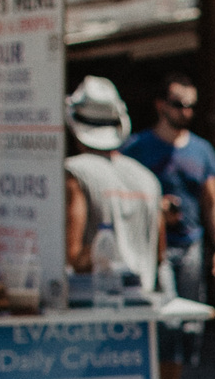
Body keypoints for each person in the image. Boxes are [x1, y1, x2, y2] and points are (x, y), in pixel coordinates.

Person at [121, 74, 215, 379]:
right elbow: (122, 196)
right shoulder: (137, 148)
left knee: (188, 325)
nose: (186, 112)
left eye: (191, 106)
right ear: (161, 105)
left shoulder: (201, 150)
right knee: (164, 324)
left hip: (191, 244)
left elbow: (213, 201)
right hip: (154, 249)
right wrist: (155, 209)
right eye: (179, 104)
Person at [63, 78, 165, 309]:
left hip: (95, 308)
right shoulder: (148, 179)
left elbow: (72, 256)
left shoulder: (74, 173)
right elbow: (160, 253)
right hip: (143, 307)